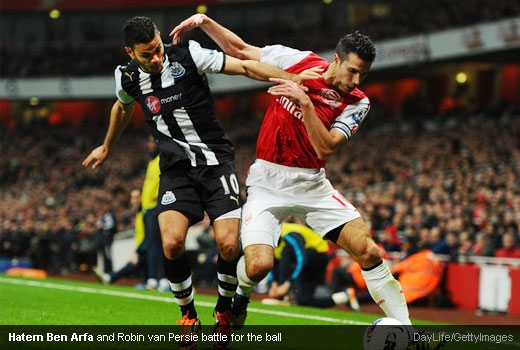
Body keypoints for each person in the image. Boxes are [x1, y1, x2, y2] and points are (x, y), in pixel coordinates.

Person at [83, 16, 318, 350]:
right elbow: (122, 108)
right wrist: (107, 146)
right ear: (129, 53)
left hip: (216, 163)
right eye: (146, 54)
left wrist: (291, 78)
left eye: (158, 49)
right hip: (176, 171)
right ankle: (188, 314)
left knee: (227, 244)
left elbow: (245, 67)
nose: (156, 58)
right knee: (172, 243)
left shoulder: (189, 54)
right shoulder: (127, 76)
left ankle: (223, 309)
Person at [171, 14, 412, 327]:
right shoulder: (298, 61)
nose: (355, 80)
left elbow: (327, 147)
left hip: (312, 183)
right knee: (258, 266)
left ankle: (409, 331)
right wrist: (205, 23)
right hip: (267, 181)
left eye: (362, 75)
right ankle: (241, 295)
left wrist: (306, 102)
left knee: (368, 250)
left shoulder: (358, 102)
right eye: (352, 70)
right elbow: (242, 50)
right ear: (335, 59)